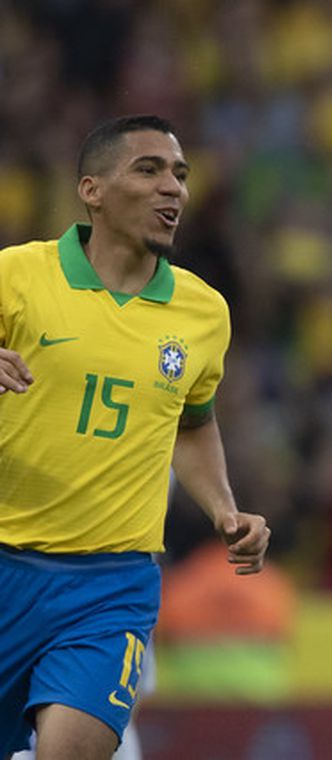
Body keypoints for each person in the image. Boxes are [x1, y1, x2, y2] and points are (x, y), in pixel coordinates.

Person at [0, 115, 271, 760]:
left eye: (179, 174)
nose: (171, 188)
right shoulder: (16, 277)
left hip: (111, 585)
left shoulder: (204, 312)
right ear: (91, 190)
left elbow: (194, 422)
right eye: (147, 170)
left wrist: (223, 508)